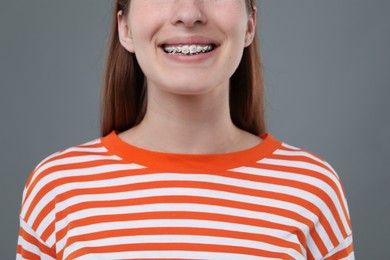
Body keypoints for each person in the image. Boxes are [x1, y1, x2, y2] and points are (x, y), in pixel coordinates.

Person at [16, 0, 354, 259]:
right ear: (126, 29)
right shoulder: (57, 188)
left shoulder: (313, 187)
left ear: (250, 23)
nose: (189, 12)